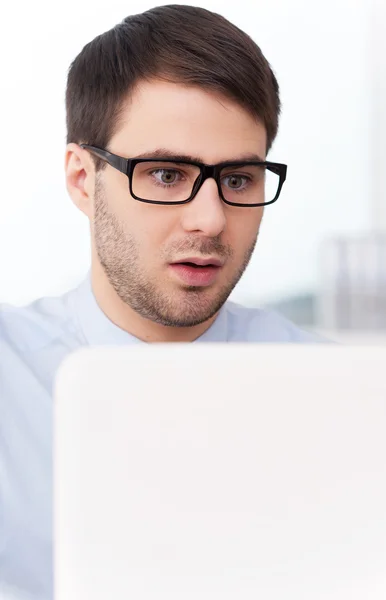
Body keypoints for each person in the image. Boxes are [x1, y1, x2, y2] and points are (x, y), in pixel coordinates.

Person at [0, 4, 326, 599]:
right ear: (82, 180)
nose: (210, 220)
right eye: (167, 175)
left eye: (238, 179)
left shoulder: (334, 391)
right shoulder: (8, 376)